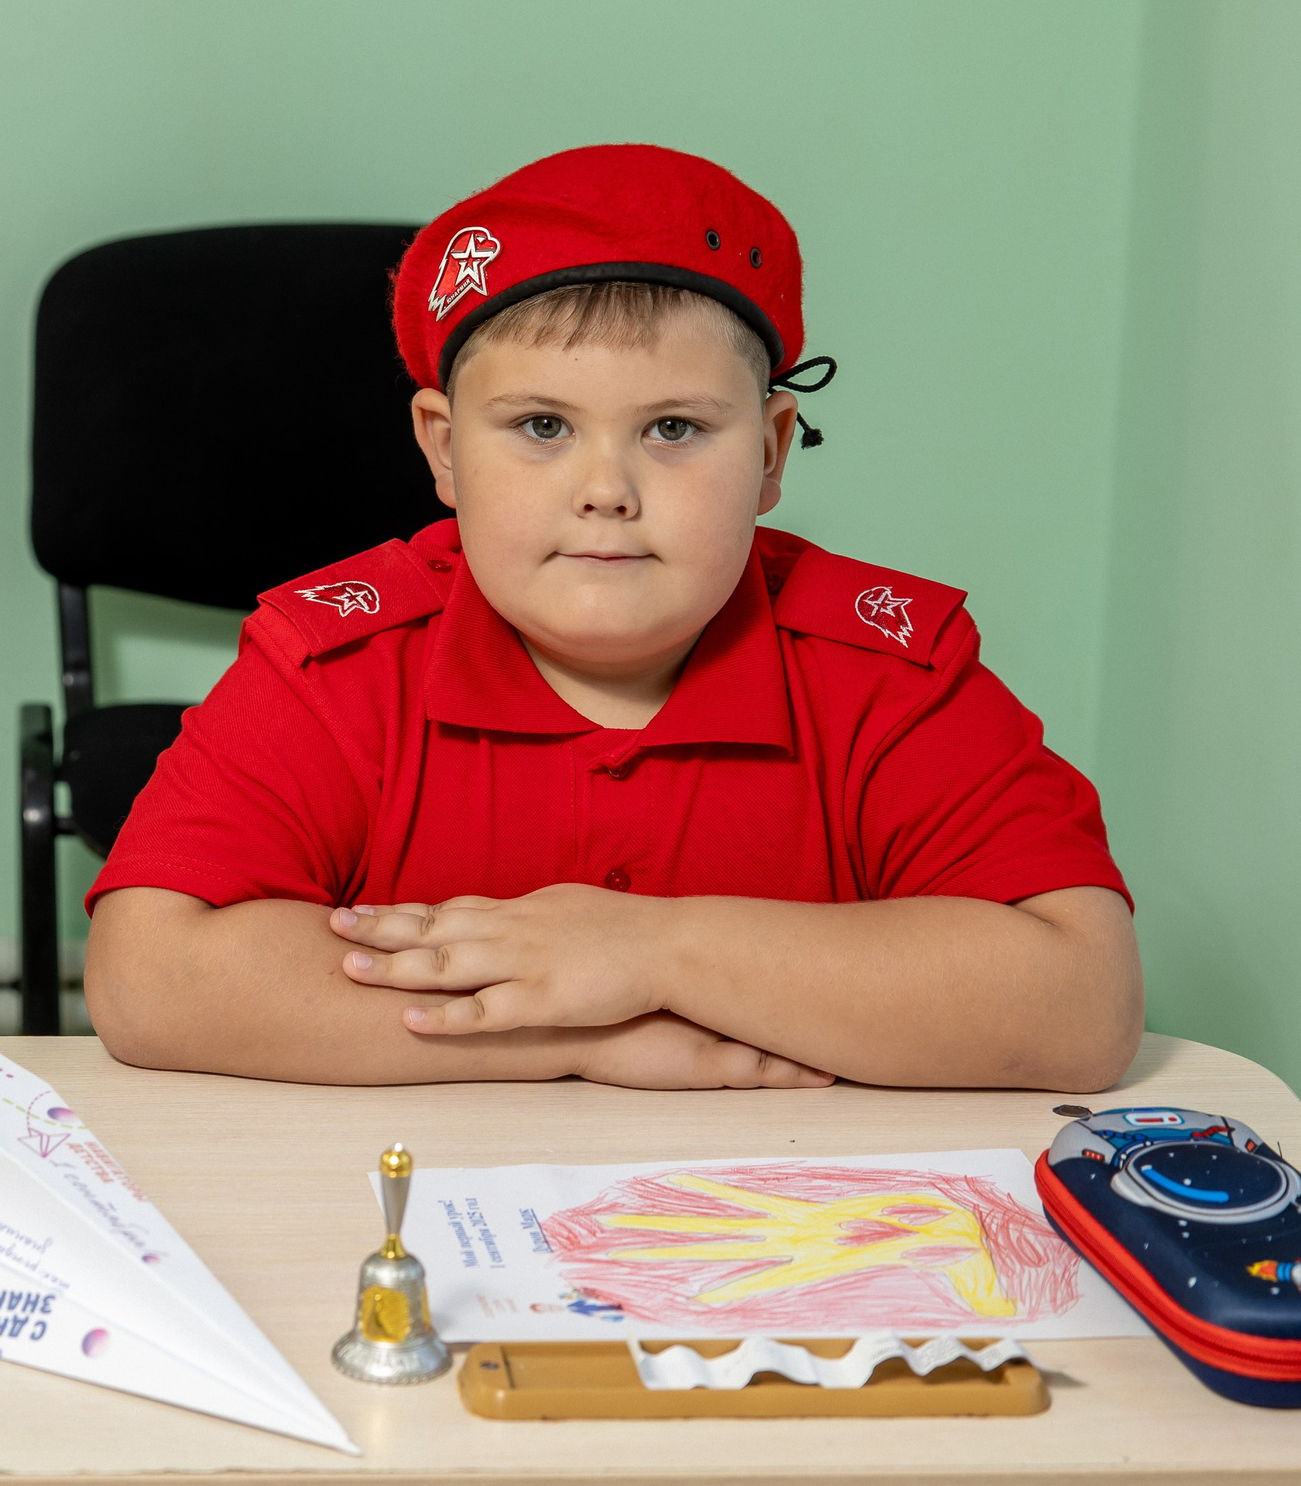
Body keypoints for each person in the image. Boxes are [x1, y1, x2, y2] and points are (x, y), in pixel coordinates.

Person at [82, 145, 1140, 1092]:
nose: (605, 489)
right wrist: (573, 1037)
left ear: (771, 451)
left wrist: (647, 952)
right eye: (541, 425)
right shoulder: (337, 665)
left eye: (672, 428)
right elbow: (150, 978)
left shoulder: (882, 675)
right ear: (443, 451)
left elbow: (1080, 1003)